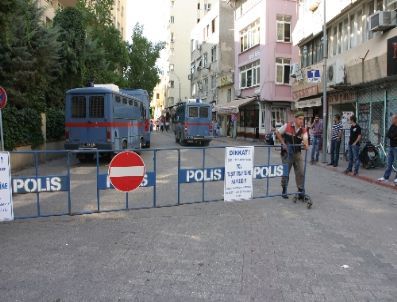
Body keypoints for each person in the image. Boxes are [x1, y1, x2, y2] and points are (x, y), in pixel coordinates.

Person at [275, 111, 309, 199]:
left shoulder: (303, 130)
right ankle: (284, 189)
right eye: (300, 119)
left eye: (303, 119)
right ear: (295, 119)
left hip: (297, 153)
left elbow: (305, 139)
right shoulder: (288, 126)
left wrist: (306, 143)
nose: (301, 121)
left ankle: (300, 190)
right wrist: (283, 143)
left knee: (301, 172)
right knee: (286, 172)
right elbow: (277, 132)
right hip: (287, 153)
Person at [377, 114, 397, 184]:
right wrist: (393, 136)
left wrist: (393, 136)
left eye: (392, 119)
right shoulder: (392, 126)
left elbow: (393, 136)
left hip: (396, 147)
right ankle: (386, 177)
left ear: (396, 119)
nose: (391, 120)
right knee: (389, 163)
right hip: (391, 146)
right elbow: (388, 135)